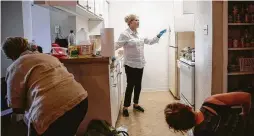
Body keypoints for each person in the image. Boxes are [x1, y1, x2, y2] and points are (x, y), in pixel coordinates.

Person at [2, 37, 88, 136]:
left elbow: (16, 106)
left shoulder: (15, 67)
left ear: (10, 55)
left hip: (51, 109)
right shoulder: (47, 57)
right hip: (80, 100)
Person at [115, 14, 167, 117]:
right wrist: (104, 52)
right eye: (136, 20)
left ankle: (136, 104)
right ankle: (125, 107)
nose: (138, 22)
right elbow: (117, 45)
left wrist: (158, 35)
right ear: (129, 22)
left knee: (138, 84)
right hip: (130, 64)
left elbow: (150, 42)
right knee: (130, 85)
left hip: (140, 63)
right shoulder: (125, 34)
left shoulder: (140, 34)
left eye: (138, 20)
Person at [164, 92, 253, 136]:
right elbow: (246, 97)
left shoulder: (199, 133)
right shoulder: (211, 102)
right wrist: (244, 114)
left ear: (184, 128)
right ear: (189, 107)